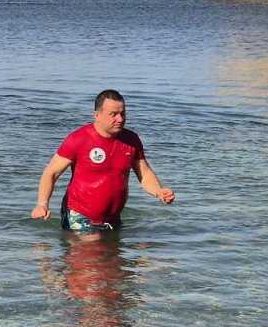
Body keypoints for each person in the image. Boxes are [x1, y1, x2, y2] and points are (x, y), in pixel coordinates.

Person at [31, 90, 174, 238]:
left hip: (112, 218)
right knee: (94, 252)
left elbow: (145, 174)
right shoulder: (78, 139)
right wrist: (42, 205)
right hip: (79, 214)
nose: (120, 119)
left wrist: (158, 190)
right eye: (113, 114)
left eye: (123, 113)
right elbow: (51, 173)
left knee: (114, 259)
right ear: (97, 116)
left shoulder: (131, 140)